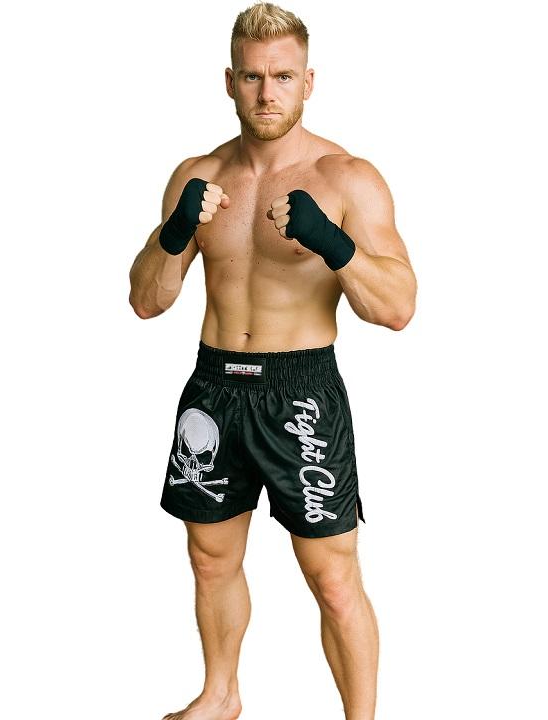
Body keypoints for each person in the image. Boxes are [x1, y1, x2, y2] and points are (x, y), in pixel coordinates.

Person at [128, 3, 417, 718]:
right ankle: (221, 694)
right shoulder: (197, 176)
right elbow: (146, 301)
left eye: (283, 76)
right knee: (210, 558)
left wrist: (333, 243)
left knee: (332, 576)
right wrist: (175, 232)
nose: (267, 92)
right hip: (213, 385)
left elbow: (398, 307)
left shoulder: (348, 178)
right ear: (229, 81)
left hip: (302, 389)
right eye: (253, 76)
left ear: (308, 82)